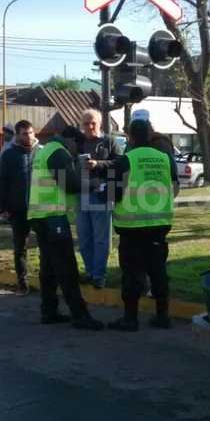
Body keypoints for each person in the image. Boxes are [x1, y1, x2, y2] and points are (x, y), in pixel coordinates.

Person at [107, 110, 179, 331]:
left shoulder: (125, 160)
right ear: (150, 134)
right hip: (160, 225)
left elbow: (112, 193)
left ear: (130, 137)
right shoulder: (165, 158)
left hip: (132, 227)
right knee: (158, 271)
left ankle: (130, 319)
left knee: (131, 274)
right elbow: (175, 186)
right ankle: (162, 316)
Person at [27, 125, 104, 330]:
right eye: (77, 147)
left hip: (40, 215)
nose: (77, 152)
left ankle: (49, 311)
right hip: (53, 217)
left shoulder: (45, 150)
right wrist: (93, 184)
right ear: (70, 141)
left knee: (49, 268)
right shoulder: (58, 153)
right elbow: (69, 185)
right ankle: (80, 315)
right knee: (67, 268)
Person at [77, 108, 123, 289]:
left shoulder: (109, 141)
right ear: (81, 125)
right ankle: (90, 272)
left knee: (101, 238)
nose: (90, 127)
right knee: (84, 238)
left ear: (100, 123)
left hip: (102, 194)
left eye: (93, 123)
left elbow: (120, 163)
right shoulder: (79, 142)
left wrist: (98, 164)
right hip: (82, 194)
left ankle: (98, 275)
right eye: (86, 123)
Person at [0, 120, 37, 295]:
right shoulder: (9, 155)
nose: (28, 136)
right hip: (17, 209)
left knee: (46, 246)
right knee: (20, 247)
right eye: (24, 134)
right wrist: (2, 207)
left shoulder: (41, 152)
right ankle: (22, 283)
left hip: (40, 209)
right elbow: (1, 182)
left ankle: (47, 280)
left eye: (31, 133)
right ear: (17, 136)